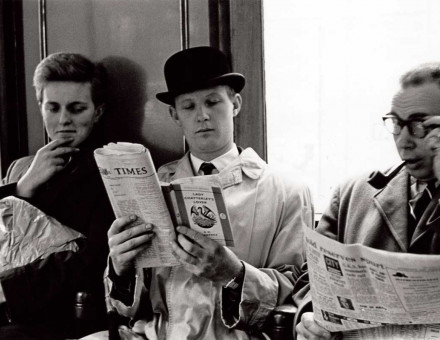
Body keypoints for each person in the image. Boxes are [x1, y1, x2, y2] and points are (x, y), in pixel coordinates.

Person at [105, 46, 314, 339]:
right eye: (188, 107)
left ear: (236, 104)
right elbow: (124, 310)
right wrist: (120, 267)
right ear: (174, 115)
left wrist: (233, 274)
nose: (202, 115)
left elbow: (296, 290)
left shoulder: (286, 191)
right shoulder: (150, 186)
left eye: (213, 102)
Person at [294, 62, 440, 340]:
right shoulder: (352, 193)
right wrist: (310, 315)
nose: (404, 141)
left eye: (420, 125)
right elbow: (311, 278)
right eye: (397, 123)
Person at [0, 52, 115, 339]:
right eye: (53, 108)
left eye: (77, 109)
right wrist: (21, 189)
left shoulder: (113, 170)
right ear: (40, 107)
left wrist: (6, 288)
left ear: (97, 111)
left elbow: (96, 258)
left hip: (65, 317)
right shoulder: (20, 168)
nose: (63, 120)